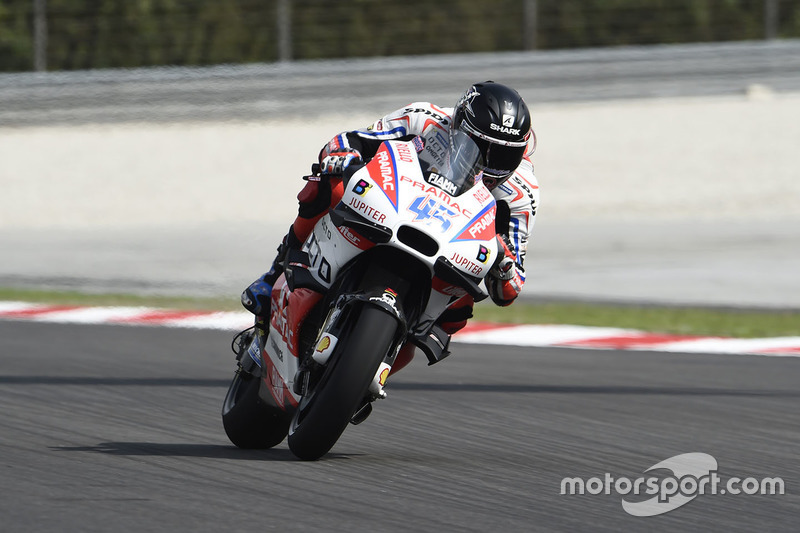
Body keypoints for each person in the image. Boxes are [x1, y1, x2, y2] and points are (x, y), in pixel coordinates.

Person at [241, 81, 539, 367]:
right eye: (479, 146)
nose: (491, 163)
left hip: (449, 247)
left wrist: (504, 264)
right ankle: (274, 274)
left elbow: (512, 286)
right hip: (389, 207)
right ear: (459, 125)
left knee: (460, 304)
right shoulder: (425, 119)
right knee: (328, 184)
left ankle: (376, 367)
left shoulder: (522, 191)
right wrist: (343, 155)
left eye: (505, 154)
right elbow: (351, 140)